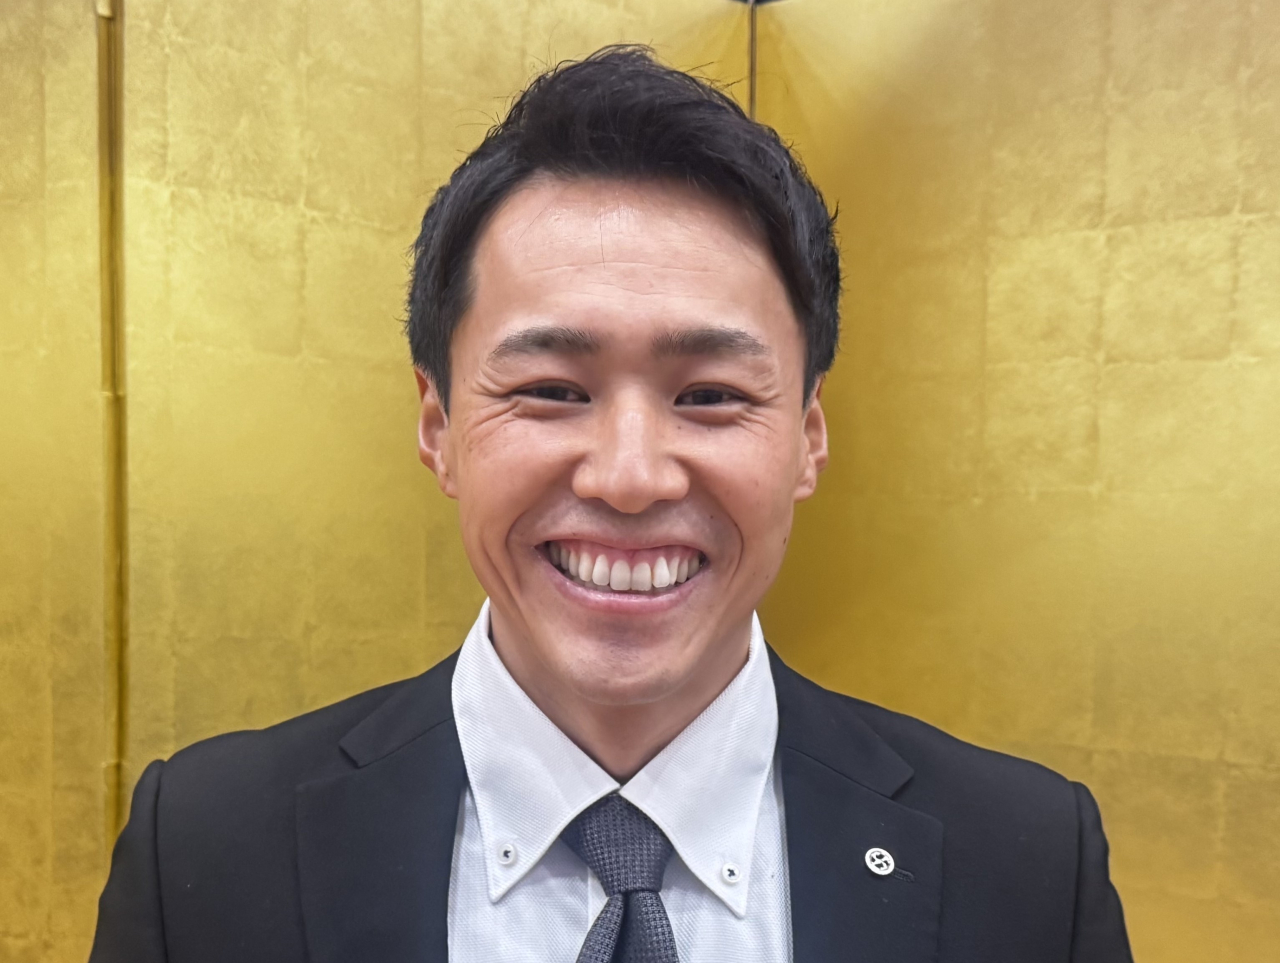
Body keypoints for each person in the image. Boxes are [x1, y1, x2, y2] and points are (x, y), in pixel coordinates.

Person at [89, 46, 1132, 963]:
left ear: (807, 436)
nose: (630, 478)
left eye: (710, 396)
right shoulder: (210, 850)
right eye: (551, 390)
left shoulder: (1026, 862)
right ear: (437, 424)